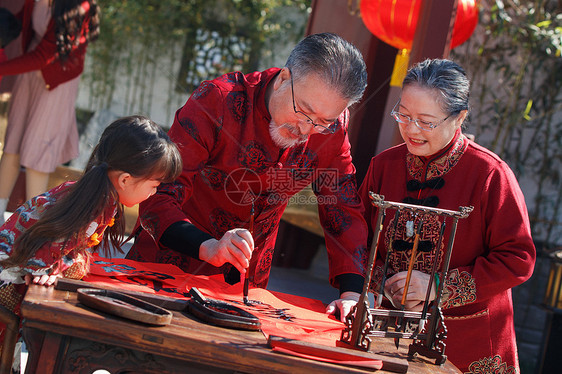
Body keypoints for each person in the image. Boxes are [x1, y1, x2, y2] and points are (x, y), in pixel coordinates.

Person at [126, 32, 370, 320]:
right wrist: (210, 247)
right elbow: (160, 194)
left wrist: (352, 293)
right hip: (167, 267)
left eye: (322, 122)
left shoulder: (332, 130)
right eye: (302, 111)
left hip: (245, 289)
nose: (306, 129)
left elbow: (342, 208)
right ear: (283, 79)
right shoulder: (217, 100)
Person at [358, 59, 535, 372]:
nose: (411, 129)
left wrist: (438, 287)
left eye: (426, 122)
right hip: (388, 329)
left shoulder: (490, 174)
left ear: (459, 118)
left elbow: (518, 257)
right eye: (404, 115)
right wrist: (377, 281)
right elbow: (357, 237)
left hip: (467, 340)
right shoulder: (383, 166)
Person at [0, 115, 182, 354]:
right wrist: (49, 269)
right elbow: (47, 252)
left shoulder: (87, 193)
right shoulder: (97, 205)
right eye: (155, 185)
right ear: (125, 180)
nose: (154, 193)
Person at [0, 0, 100, 225]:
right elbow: (18, 26)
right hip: (29, 71)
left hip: (57, 80)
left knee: (39, 152)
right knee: (12, 144)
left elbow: (45, 56)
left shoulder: (77, 8)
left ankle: (31, 224)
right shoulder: (33, 2)